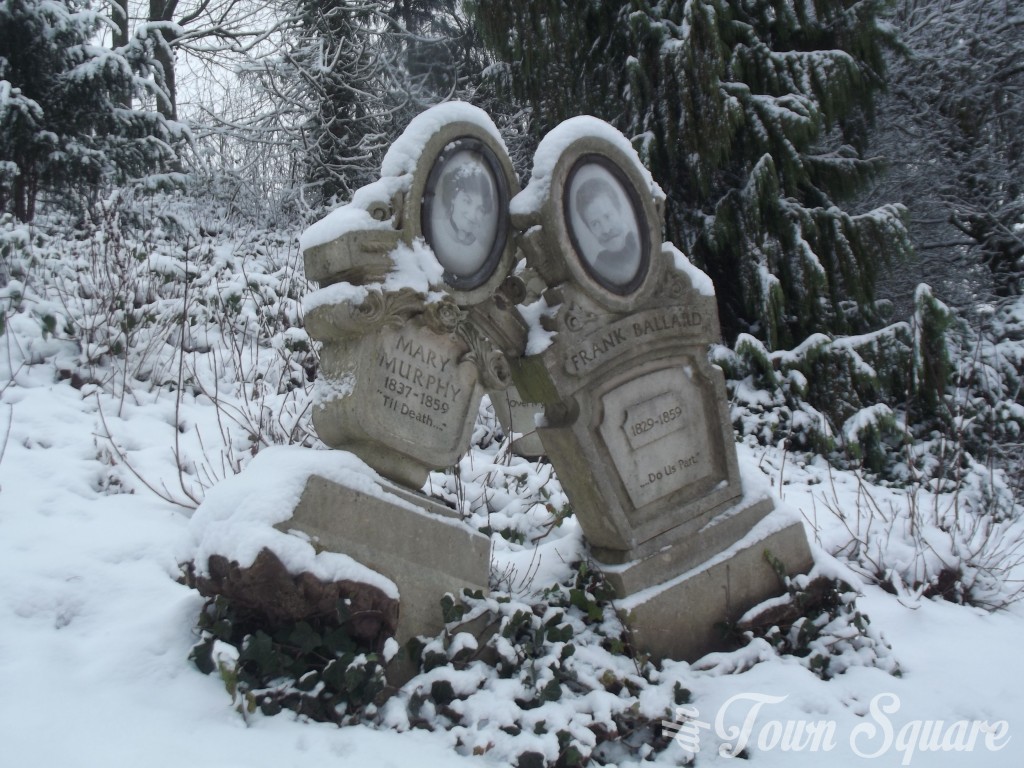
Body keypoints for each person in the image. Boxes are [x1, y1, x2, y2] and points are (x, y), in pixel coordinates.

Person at [574, 175, 640, 286]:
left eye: (608, 216)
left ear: (619, 210)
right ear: (589, 230)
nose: (606, 229)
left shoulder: (642, 247)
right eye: (595, 224)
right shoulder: (599, 266)